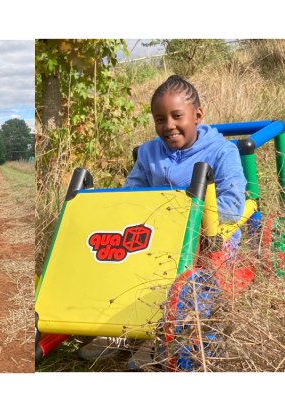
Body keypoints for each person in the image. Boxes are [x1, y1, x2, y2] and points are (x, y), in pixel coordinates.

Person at [79, 74, 247, 363]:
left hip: (208, 238)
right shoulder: (148, 153)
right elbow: (130, 195)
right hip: (156, 237)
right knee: (121, 253)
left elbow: (232, 205)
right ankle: (121, 327)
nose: (168, 125)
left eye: (176, 116)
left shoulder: (222, 151)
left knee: (186, 277)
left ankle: (159, 334)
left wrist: (181, 216)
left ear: (198, 115)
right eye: (159, 119)